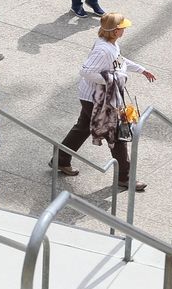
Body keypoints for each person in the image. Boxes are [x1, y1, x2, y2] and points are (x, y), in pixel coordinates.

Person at [55, 12, 153, 191]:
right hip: (98, 99)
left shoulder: (110, 44)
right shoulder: (103, 49)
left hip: (93, 97)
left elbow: (119, 62)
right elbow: (85, 71)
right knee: (116, 135)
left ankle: (60, 160)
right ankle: (125, 177)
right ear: (115, 31)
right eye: (122, 28)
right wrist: (110, 79)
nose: (124, 30)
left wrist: (141, 70)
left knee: (82, 127)